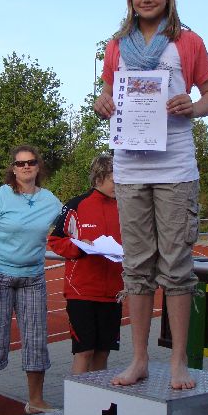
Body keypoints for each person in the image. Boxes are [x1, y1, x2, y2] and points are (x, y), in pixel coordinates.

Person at [94, 0, 208, 390]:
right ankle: (139, 359)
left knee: (177, 265)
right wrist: (101, 103)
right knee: (136, 266)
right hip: (129, 166)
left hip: (175, 167)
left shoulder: (187, 41)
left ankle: (179, 361)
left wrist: (194, 106)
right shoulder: (116, 45)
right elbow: (107, 93)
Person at [0, 145, 62, 415]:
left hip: (33, 278)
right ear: (13, 168)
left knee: (36, 339)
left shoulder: (50, 200)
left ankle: (36, 400)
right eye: (20, 163)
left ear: (38, 166)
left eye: (31, 162)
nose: (26, 167)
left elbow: (69, 228)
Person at [48, 154, 123, 374]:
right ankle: (77, 397)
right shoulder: (76, 205)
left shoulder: (126, 207)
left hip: (114, 292)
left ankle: (97, 396)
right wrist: (80, 246)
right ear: (99, 178)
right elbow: (56, 241)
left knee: (103, 352)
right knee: (84, 351)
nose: (119, 185)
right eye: (114, 180)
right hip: (82, 292)